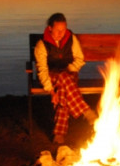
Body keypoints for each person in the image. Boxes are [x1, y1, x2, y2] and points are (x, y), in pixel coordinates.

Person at [34, 13, 98, 144]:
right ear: (50, 28)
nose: (61, 33)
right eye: (58, 30)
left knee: (63, 83)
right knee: (62, 84)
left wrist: (69, 69)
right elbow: (42, 70)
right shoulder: (42, 45)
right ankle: (86, 112)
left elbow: (80, 59)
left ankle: (59, 134)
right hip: (51, 78)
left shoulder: (71, 39)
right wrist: (51, 91)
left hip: (69, 75)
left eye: (63, 30)